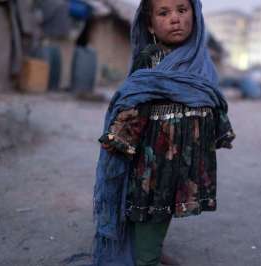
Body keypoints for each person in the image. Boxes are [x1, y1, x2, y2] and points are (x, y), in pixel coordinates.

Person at [92, 0, 236, 265]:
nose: (175, 19)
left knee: (164, 208)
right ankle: (146, 258)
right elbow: (135, 96)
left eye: (182, 10)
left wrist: (215, 130)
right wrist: (120, 136)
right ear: (150, 25)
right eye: (164, 13)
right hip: (153, 158)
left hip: (185, 156)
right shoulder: (151, 58)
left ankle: (148, 250)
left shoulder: (200, 61)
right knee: (150, 208)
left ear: (195, 14)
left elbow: (212, 98)